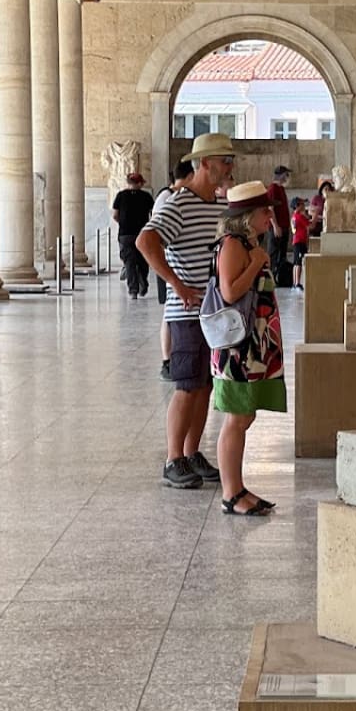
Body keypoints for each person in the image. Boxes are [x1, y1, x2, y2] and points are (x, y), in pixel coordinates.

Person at [135, 131, 237, 490]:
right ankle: (173, 458)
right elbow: (145, 241)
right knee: (187, 386)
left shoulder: (218, 206)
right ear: (205, 163)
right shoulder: (179, 203)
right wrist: (175, 285)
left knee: (205, 386)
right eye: (225, 160)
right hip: (187, 312)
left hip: (213, 313)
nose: (230, 167)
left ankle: (192, 453)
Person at [210, 181, 286, 517]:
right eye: (264, 210)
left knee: (245, 415)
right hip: (237, 349)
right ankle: (231, 493)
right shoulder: (233, 245)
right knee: (237, 417)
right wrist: (256, 262)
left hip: (253, 345)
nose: (270, 215)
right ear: (248, 216)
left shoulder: (248, 243)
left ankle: (238, 487)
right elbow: (229, 292)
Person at [153, 160, 193, 380]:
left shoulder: (175, 197)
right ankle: (167, 360)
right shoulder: (168, 198)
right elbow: (153, 238)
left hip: (174, 264)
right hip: (168, 264)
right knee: (170, 312)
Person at [112, 173, 154, 298]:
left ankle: (133, 290)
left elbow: (115, 215)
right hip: (142, 233)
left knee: (129, 262)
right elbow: (154, 214)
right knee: (143, 260)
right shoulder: (146, 196)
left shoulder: (121, 195)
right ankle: (143, 284)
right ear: (140, 183)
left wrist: (123, 223)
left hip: (125, 234)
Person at [265, 165, 291, 282]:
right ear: (281, 175)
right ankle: (270, 278)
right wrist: (275, 226)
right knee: (274, 253)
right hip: (277, 227)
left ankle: (280, 277)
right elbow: (270, 208)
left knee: (282, 255)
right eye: (286, 175)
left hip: (284, 226)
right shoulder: (273, 189)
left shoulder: (281, 189)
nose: (287, 177)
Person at [290, 197, 311, 291]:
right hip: (300, 241)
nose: (304, 206)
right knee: (298, 263)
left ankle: (295, 282)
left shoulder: (294, 216)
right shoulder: (299, 216)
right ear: (297, 206)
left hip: (296, 241)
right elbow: (310, 225)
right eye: (302, 204)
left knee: (296, 263)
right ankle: (297, 283)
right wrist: (315, 216)